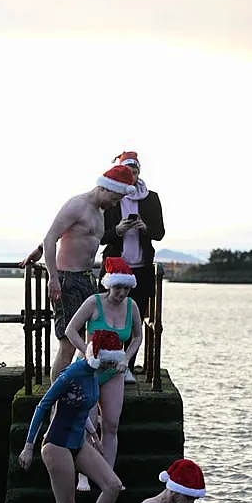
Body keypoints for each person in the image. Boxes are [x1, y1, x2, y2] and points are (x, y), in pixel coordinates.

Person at [17, 330, 126, 503]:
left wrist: (94, 436)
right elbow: (43, 405)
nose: (113, 366)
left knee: (113, 486)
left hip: (78, 442)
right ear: (99, 357)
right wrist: (28, 446)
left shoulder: (94, 375)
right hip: (56, 444)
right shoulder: (73, 373)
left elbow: (80, 408)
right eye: (110, 361)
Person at [20, 166, 137, 381]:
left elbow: (75, 236)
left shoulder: (101, 211)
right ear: (104, 188)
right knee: (68, 343)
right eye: (115, 197)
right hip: (66, 279)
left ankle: (81, 395)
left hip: (86, 277)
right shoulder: (77, 205)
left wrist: (37, 252)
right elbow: (51, 236)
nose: (115, 203)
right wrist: (53, 278)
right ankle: (54, 402)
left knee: (90, 339)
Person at [65, 257, 142, 491]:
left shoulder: (132, 306)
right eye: (118, 288)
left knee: (111, 425)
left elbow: (137, 336)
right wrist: (86, 352)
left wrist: (126, 358)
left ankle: (107, 476)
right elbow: (70, 330)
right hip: (89, 370)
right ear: (109, 284)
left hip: (114, 371)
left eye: (126, 288)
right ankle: (83, 477)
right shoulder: (93, 302)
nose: (122, 293)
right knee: (86, 423)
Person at [100, 151, 165, 381]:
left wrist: (144, 227)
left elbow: (160, 233)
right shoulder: (110, 198)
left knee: (136, 319)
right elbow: (100, 236)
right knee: (109, 318)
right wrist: (117, 231)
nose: (132, 175)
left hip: (142, 268)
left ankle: (128, 365)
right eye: (127, 171)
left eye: (135, 171)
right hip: (115, 266)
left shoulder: (151, 198)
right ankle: (107, 362)